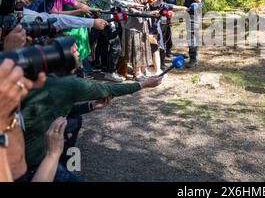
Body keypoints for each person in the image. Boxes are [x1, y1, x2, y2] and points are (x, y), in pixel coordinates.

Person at [20, 43, 163, 181]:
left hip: (26, 156)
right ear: (63, 58)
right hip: (32, 166)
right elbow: (108, 89)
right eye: (75, 52)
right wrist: (142, 84)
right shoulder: (68, 83)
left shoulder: (48, 77)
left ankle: (63, 162)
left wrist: (90, 106)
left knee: (74, 121)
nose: (79, 54)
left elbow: (57, 110)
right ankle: (61, 165)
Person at [94, 0, 142, 82]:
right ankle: (111, 72)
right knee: (116, 47)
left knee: (113, 46)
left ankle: (108, 70)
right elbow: (113, 1)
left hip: (115, 20)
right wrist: (131, 4)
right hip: (107, 21)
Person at [123, 0, 152, 80]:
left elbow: (150, 6)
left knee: (143, 47)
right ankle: (137, 73)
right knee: (136, 49)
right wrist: (146, 13)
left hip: (143, 25)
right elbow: (131, 10)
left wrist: (159, 1)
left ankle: (141, 70)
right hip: (133, 25)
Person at [182, 0, 204, 68]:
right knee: (191, 34)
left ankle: (193, 59)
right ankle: (193, 53)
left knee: (192, 35)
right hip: (189, 11)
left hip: (194, 12)